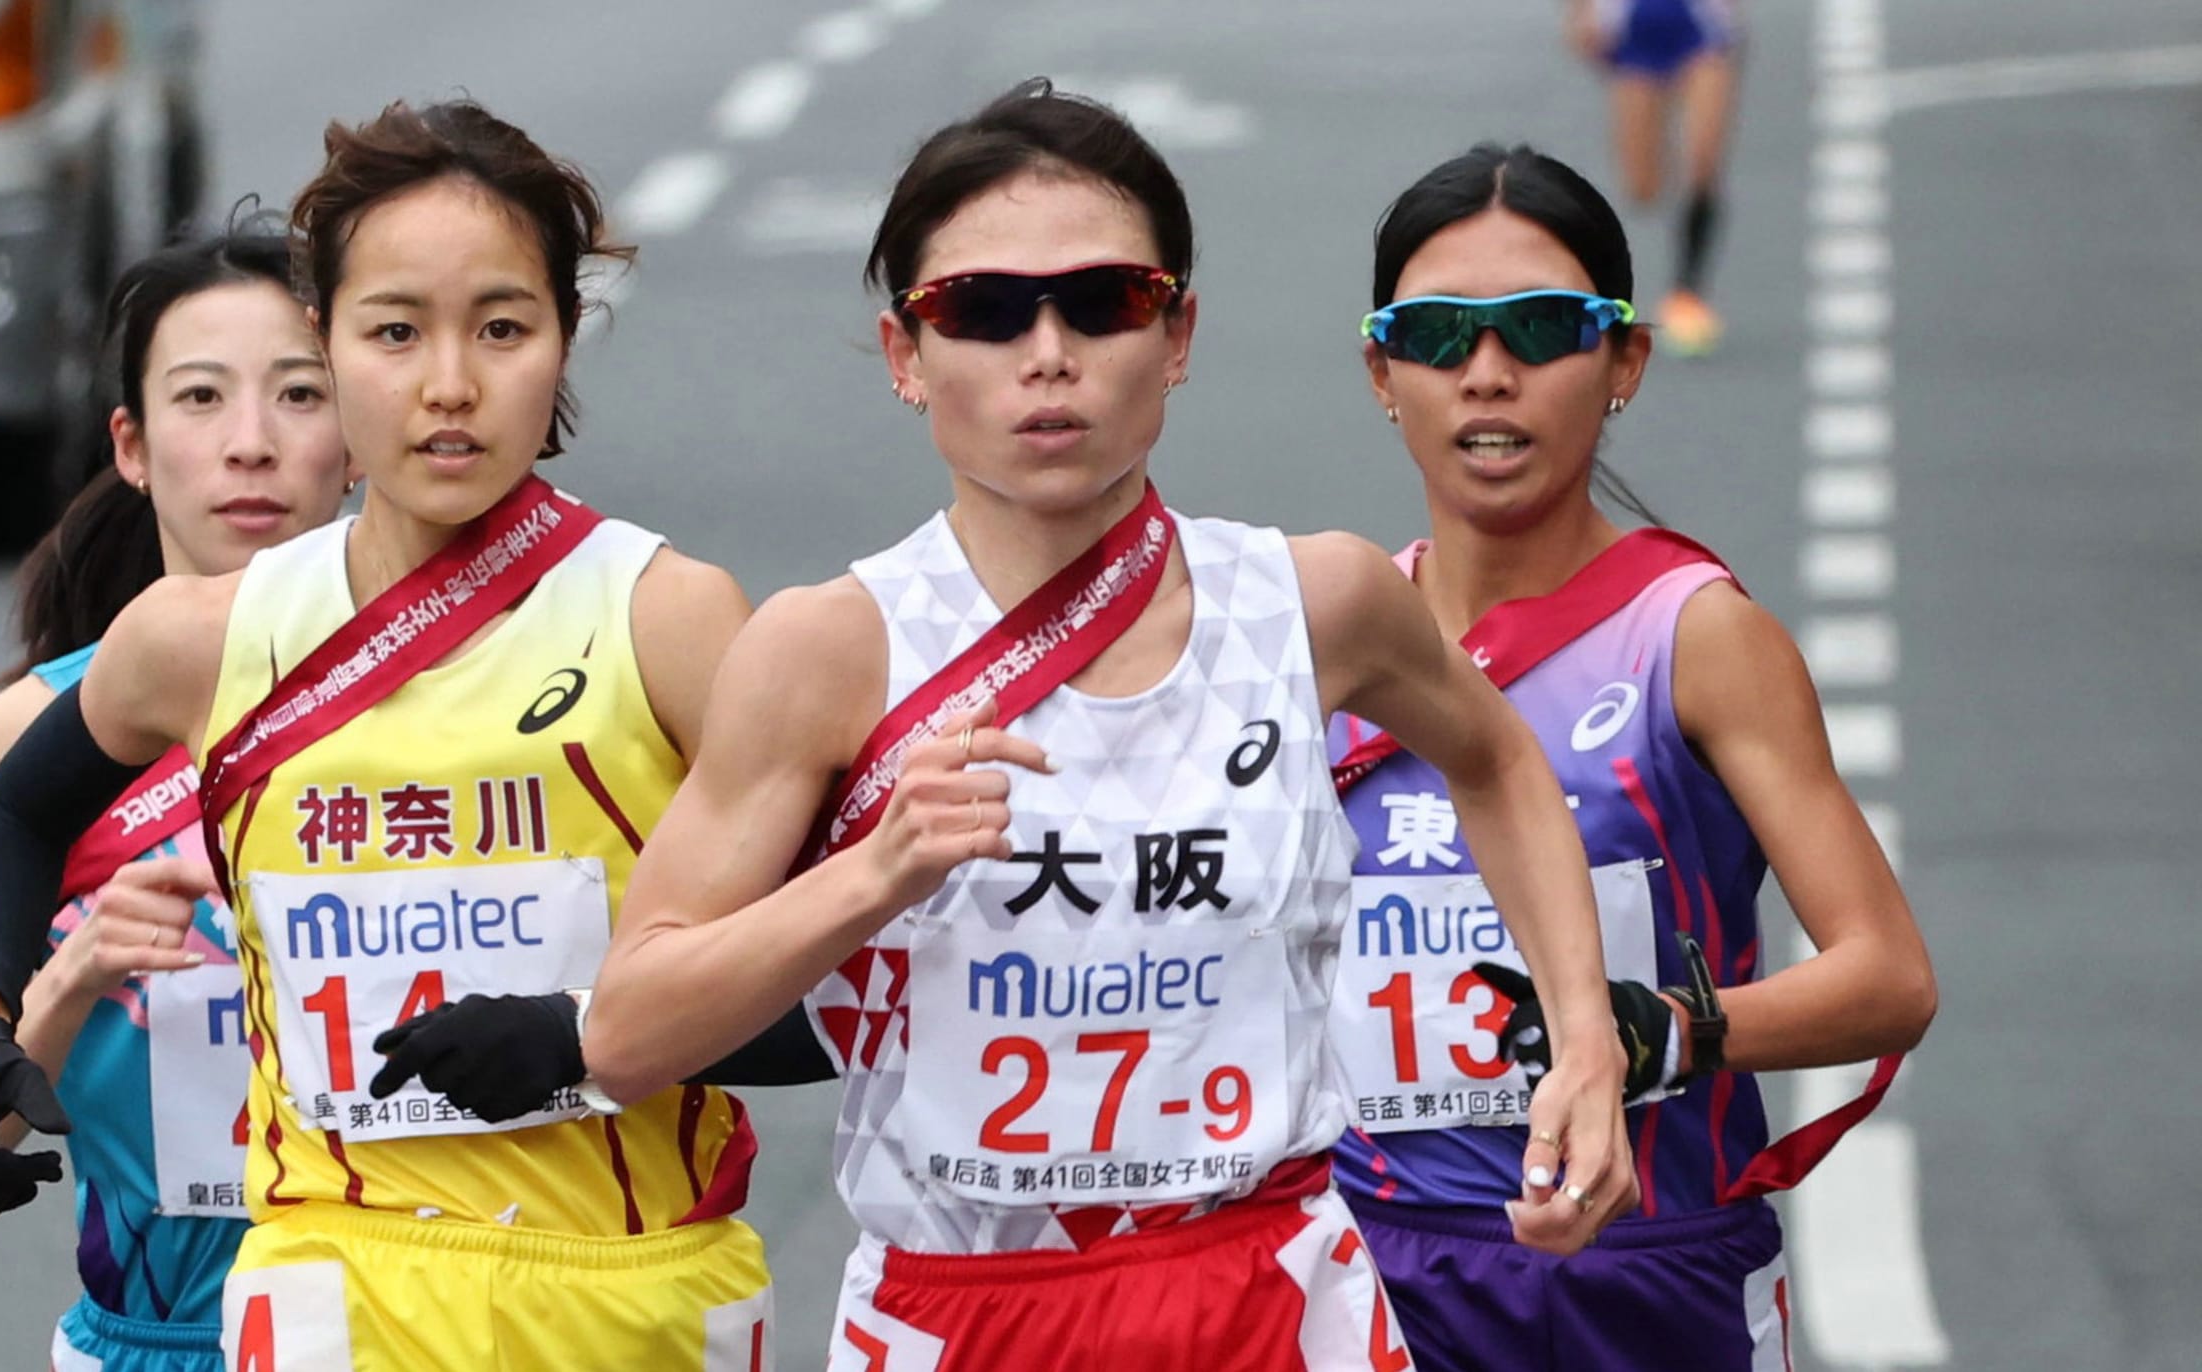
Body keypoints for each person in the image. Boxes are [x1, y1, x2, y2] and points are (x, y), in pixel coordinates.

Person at [582, 81, 1634, 1371]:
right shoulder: (827, 649)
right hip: (957, 1311)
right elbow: (629, 1033)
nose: (1047, 352)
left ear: (1177, 331)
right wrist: (874, 871)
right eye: (979, 310)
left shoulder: (1317, 601)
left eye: (1103, 301)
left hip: (1274, 1290)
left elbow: (1498, 758)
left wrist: (1584, 1036)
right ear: (906, 355)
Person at [0, 100, 777, 1370]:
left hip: (631, 1280)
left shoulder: (668, 618)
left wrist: (587, 1034)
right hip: (333, 1277)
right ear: (327, 342)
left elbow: (849, 974)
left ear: (563, 339)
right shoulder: (198, 635)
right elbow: (14, 809)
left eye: (503, 328)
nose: (449, 385)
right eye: (395, 331)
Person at [1329, 141, 1938, 1371]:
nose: (1487, 375)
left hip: (1646, 1281)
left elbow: (1888, 978)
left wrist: (1664, 1032)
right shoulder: (1336, 637)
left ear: (1623, 363)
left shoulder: (1696, 638)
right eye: (1439, 333)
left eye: (1542, 329)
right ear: (1382, 373)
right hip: (1367, 1273)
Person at [0, 229, 354, 1372]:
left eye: (299, 395)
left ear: (359, 435)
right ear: (130, 446)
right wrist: (74, 974)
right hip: (157, 1337)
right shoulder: (31, 745)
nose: (250, 444)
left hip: (413, 1319)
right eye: (200, 398)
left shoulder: (467, 704)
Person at [1564, 0, 1743, 354]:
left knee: (1703, 160)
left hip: (1700, 29)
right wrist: (1579, 14)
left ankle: (1687, 294)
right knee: (1643, 188)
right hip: (1634, 32)